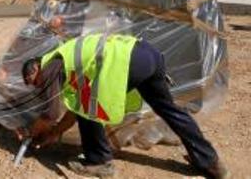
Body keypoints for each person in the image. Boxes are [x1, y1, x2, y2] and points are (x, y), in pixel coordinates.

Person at [21, 33, 229, 178]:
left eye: (35, 82)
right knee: (169, 110)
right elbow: (73, 111)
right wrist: (56, 133)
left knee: (89, 108)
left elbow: (51, 113)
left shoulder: (50, 67)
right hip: (147, 54)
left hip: (128, 61)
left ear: (36, 68)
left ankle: (99, 163)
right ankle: (210, 161)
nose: (39, 87)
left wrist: (33, 132)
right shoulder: (66, 59)